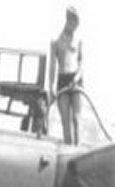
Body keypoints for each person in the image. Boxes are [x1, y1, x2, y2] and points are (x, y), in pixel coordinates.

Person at [49, 5, 83, 145]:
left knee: (76, 119)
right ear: (68, 20)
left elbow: (82, 63)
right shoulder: (56, 41)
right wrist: (50, 86)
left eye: (76, 23)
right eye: (72, 22)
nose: (74, 26)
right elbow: (52, 65)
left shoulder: (79, 40)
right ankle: (69, 152)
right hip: (62, 81)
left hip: (76, 80)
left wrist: (76, 78)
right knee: (65, 121)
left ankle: (78, 150)